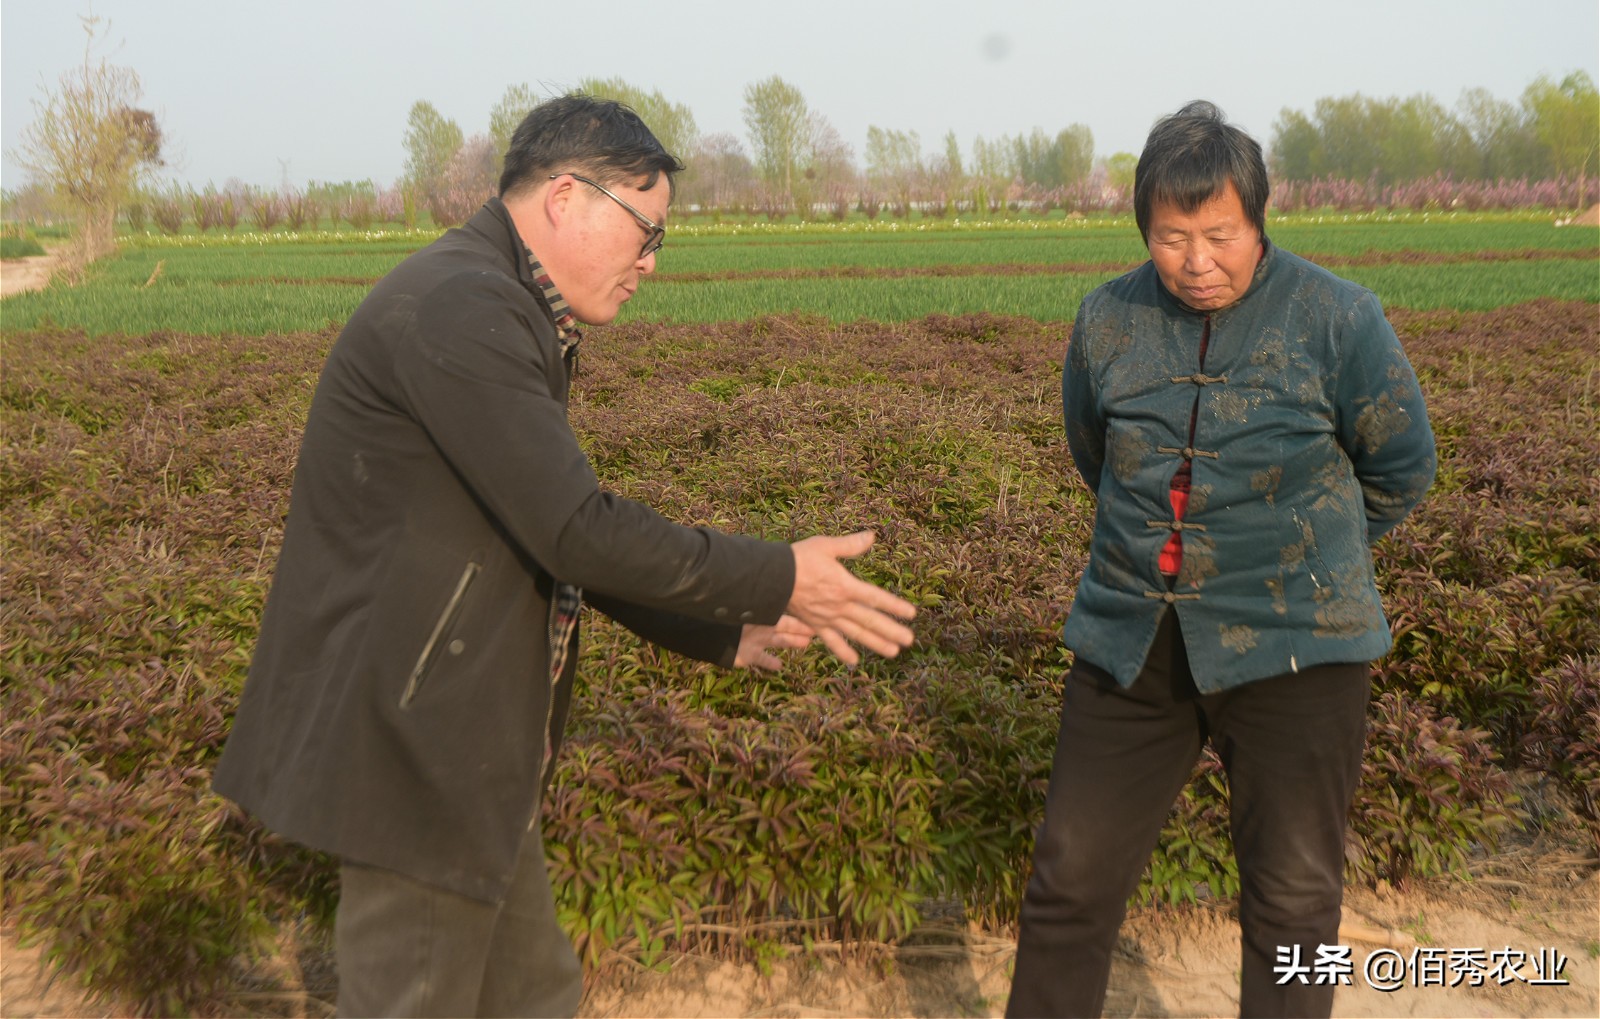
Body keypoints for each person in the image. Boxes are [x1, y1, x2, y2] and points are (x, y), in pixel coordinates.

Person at [212, 95, 917, 1018]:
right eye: (645, 230)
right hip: (415, 748)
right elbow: (574, 527)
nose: (651, 262)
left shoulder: (496, 299)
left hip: (462, 748)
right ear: (566, 197)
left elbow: (540, 532)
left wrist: (722, 621)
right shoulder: (463, 309)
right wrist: (780, 574)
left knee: (535, 993)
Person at [1005, 101, 1436, 1019]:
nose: (1197, 261)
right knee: (1069, 884)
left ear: (1259, 220)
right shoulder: (1108, 321)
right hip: (1133, 639)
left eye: (1220, 235)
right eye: (1171, 237)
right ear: (1143, 231)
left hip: (1300, 652)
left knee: (1293, 900)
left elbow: (1402, 466)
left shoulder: (1338, 317)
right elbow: (1096, 452)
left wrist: (1309, 562)